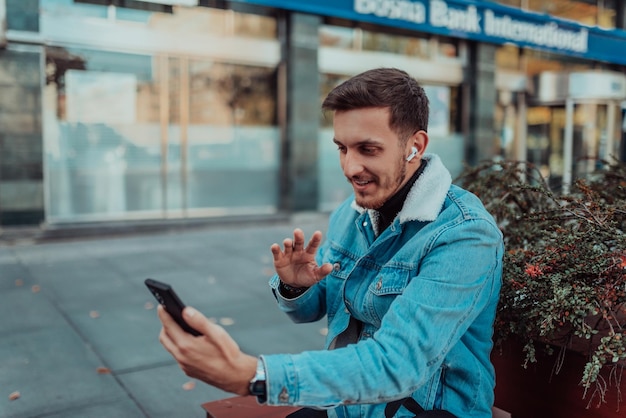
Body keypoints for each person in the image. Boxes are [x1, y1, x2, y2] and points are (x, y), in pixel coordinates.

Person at [157, 67, 504, 417]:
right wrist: (296, 288)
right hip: (346, 407)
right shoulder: (351, 214)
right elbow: (313, 311)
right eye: (342, 148)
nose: (350, 167)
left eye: (368, 149)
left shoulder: (465, 235)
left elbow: (398, 365)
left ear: (415, 146)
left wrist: (254, 375)